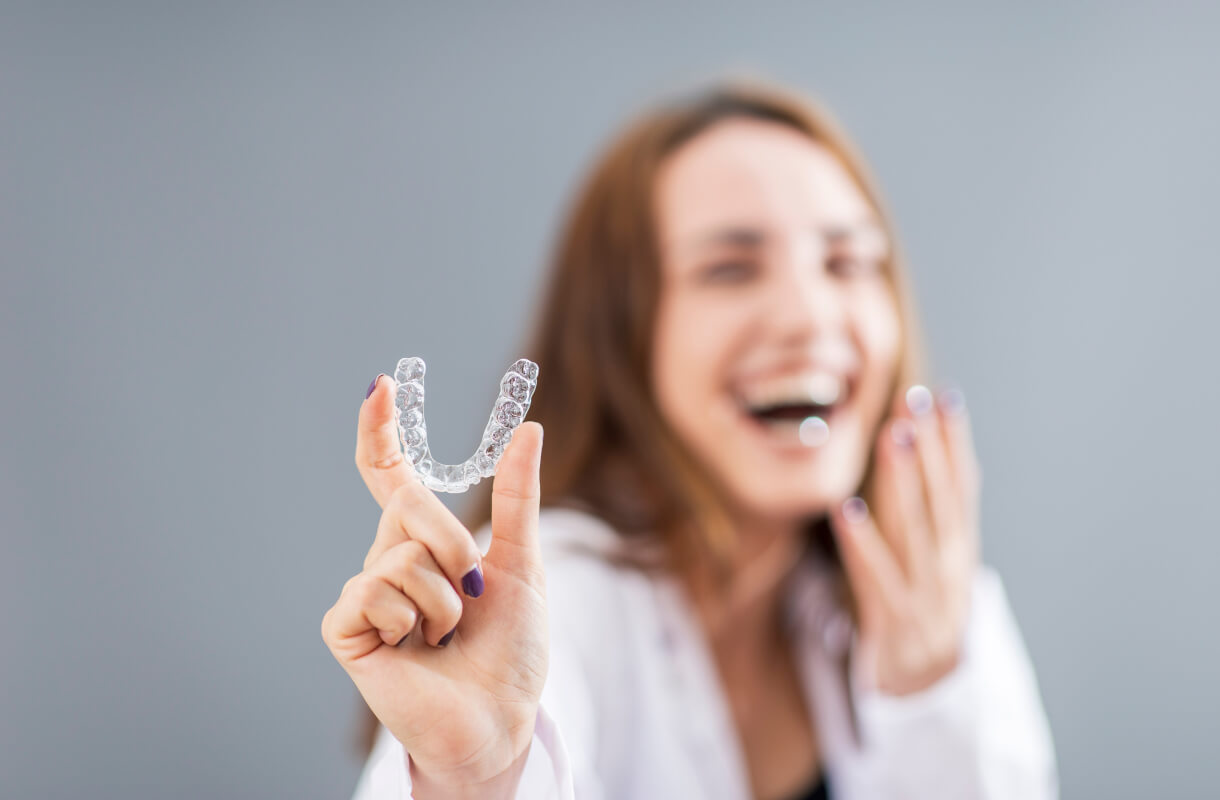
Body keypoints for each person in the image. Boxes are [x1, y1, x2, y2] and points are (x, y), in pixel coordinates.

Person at [321, 79, 1058, 799]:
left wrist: (930, 695)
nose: (809, 314)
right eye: (729, 268)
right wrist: (474, 784)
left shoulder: (925, 604)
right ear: (624, 338)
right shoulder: (550, 604)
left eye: (848, 262)